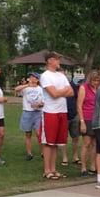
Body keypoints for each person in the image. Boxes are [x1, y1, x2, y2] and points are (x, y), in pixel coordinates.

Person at [39, 52, 74, 180]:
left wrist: (60, 91)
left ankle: (53, 169)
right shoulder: (45, 76)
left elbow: (71, 92)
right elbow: (53, 94)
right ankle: (47, 170)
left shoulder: (61, 75)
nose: (59, 61)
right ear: (50, 61)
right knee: (49, 143)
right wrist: (62, 91)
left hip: (62, 111)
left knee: (57, 143)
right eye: (57, 59)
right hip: (50, 112)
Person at [14, 72, 44, 161]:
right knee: (28, 133)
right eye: (30, 77)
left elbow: (43, 101)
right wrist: (27, 85)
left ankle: (43, 152)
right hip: (27, 112)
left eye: (34, 77)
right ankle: (29, 153)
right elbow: (16, 89)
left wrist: (40, 105)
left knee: (39, 133)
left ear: (37, 79)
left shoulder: (40, 89)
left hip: (38, 113)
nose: (31, 78)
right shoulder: (26, 88)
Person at [77, 71, 100, 177]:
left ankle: (93, 166)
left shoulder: (99, 88)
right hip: (86, 118)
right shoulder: (83, 88)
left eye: (97, 80)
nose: (95, 82)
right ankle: (83, 167)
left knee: (95, 143)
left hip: (97, 119)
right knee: (86, 143)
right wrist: (82, 122)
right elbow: (79, 106)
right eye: (94, 80)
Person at [59, 68, 80, 167]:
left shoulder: (72, 86)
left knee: (75, 137)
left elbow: (77, 98)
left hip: (74, 114)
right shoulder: (56, 87)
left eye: (64, 75)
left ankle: (75, 157)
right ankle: (64, 157)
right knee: (63, 138)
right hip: (62, 115)